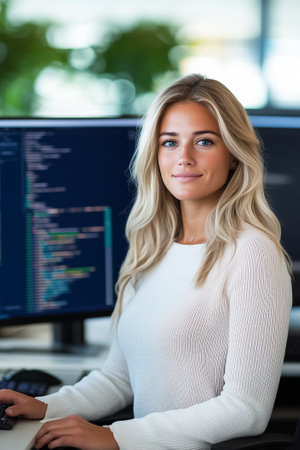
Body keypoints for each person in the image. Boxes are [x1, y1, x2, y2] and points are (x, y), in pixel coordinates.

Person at [0, 74, 292, 450]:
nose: (183, 157)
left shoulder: (252, 252)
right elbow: (119, 379)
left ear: (234, 154)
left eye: (204, 141)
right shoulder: (152, 248)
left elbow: (246, 410)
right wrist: (46, 406)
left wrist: (115, 436)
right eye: (169, 142)